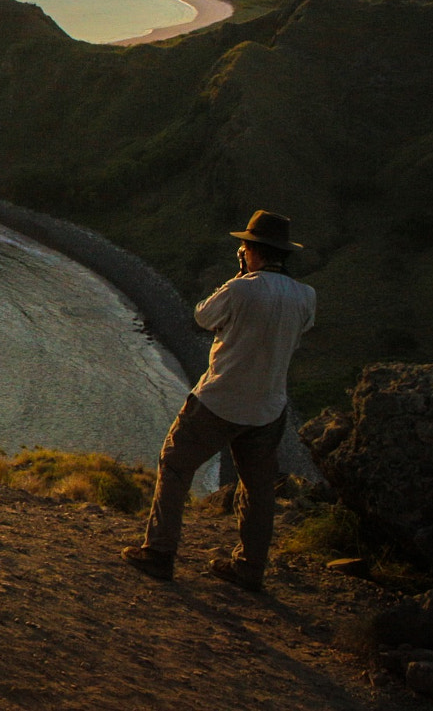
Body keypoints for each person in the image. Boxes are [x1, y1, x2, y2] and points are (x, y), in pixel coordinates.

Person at [122, 210, 317, 591]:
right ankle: (249, 568)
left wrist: (240, 277)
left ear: (251, 251)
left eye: (244, 247)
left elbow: (202, 316)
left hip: (219, 398)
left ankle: (160, 552)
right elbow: (300, 329)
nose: (241, 252)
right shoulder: (307, 296)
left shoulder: (241, 288)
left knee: (175, 465)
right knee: (258, 489)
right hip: (268, 406)